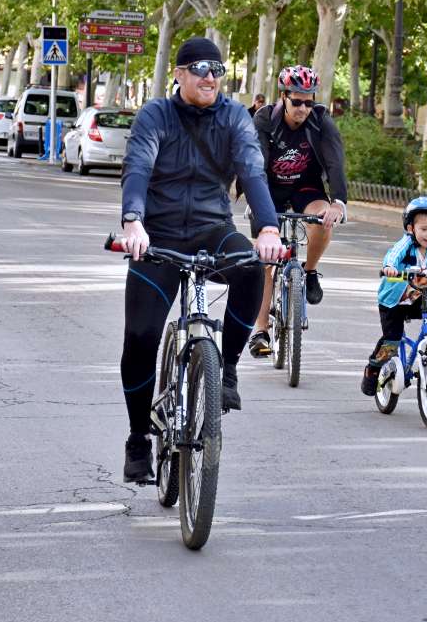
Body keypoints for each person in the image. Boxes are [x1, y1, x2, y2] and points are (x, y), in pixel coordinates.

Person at [117, 36, 283, 484]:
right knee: (140, 337)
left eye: (218, 70)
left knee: (251, 266)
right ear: (179, 73)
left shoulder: (234, 118)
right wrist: (134, 221)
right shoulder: (156, 115)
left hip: (212, 228)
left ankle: (225, 367)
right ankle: (138, 439)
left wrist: (268, 228)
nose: (210, 77)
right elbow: (138, 168)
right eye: (201, 69)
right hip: (160, 235)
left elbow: (252, 171)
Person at [246, 65, 348, 358]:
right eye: (297, 101)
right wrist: (256, 200)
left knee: (323, 222)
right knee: (267, 258)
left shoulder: (320, 120)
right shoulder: (264, 119)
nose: (303, 107)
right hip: (269, 190)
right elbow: (255, 164)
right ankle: (261, 330)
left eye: (309, 101)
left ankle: (310, 270)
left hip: (306, 187)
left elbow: (335, 162)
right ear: (283, 97)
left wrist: (338, 203)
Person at [361, 197, 427, 396]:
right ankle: (374, 368)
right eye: (424, 229)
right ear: (411, 228)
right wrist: (390, 268)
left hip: (419, 298)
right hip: (395, 300)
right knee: (391, 342)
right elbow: (392, 255)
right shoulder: (406, 245)